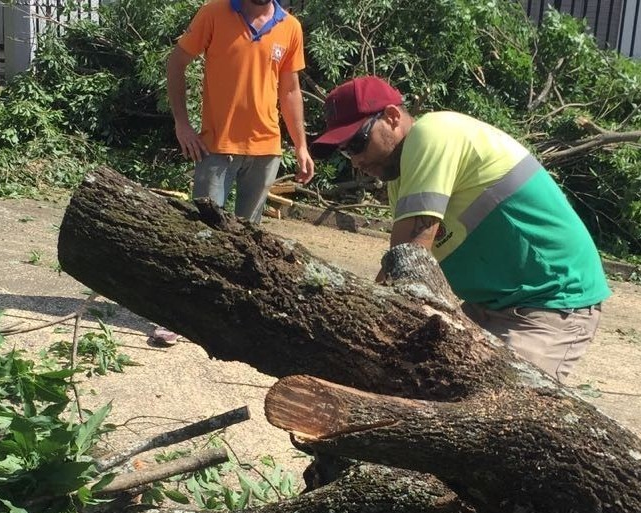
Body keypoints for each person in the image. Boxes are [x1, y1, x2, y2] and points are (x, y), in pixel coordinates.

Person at [310, 75, 610, 381]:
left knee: (498, 408)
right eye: (346, 150)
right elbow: (399, 267)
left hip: (549, 301)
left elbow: (411, 257)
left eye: (358, 142)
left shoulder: (432, 134)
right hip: (490, 305)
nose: (356, 160)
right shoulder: (398, 176)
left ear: (391, 116)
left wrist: (358, 328)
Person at [153, 0, 314, 346]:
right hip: (216, 147)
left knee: (246, 241)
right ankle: (179, 316)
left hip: (266, 150)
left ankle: (227, 316)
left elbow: (289, 89)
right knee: (201, 234)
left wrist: (301, 145)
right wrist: (182, 124)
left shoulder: (290, 27)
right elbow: (177, 62)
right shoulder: (214, 13)